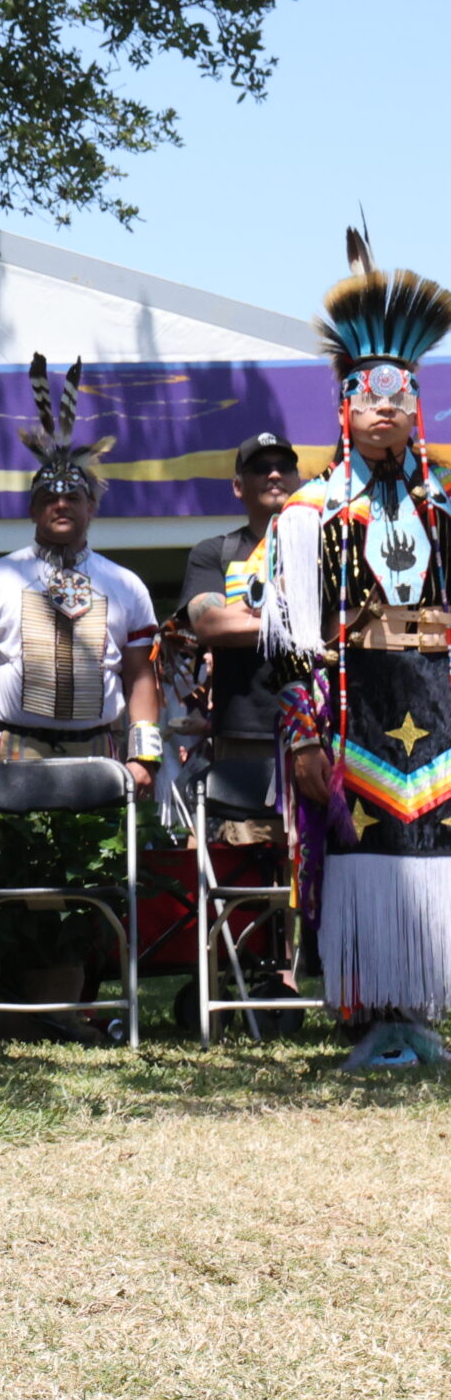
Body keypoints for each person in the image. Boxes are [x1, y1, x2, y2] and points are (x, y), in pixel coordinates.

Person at [262, 238, 451, 1070]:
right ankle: (372, 1014)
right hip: (353, 710)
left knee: (436, 854)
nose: (383, 409)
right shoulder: (311, 513)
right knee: (360, 854)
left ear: (416, 404)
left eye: (398, 397)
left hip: (439, 703)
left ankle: (422, 1015)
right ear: (343, 407)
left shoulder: (444, 505)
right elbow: (291, 644)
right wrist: (303, 731)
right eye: (366, 397)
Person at [0, 359, 161, 786]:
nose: (60, 505)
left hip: (99, 755)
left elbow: (140, 673)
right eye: (47, 497)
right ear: (32, 510)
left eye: (72, 497)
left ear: (91, 507)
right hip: (12, 755)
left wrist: (145, 758)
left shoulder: (125, 585)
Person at [179, 430, 299, 835]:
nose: (274, 474)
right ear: (237, 486)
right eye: (260, 468)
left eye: (284, 466)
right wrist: (298, 619)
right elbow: (211, 624)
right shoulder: (216, 552)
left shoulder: (327, 549)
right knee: (251, 866)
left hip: (325, 727)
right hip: (246, 732)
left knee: (321, 856)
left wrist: (248, 616)